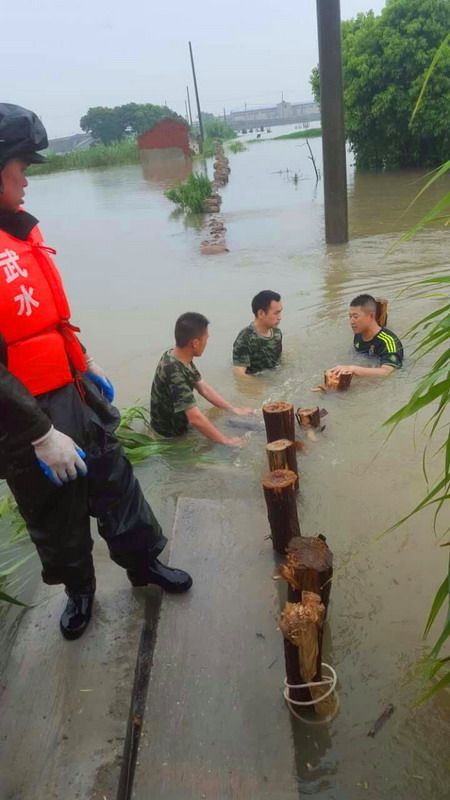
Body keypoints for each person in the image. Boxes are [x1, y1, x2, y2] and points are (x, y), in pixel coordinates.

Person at [0, 103, 192, 641]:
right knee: (54, 514)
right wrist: (39, 433)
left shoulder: (17, 234)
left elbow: (42, 319)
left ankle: (144, 565)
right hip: (26, 415)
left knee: (115, 481)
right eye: (20, 166)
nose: (27, 179)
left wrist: (82, 361)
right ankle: (79, 592)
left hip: (74, 392)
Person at [151, 312, 254, 445]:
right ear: (195, 343)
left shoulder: (176, 355)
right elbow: (194, 418)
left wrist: (233, 409)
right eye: (206, 338)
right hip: (170, 437)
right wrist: (226, 441)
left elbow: (202, 387)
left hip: (181, 426)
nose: (206, 342)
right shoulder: (173, 370)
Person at [330, 293, 404, 378]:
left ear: (371, 316)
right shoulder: (358, 335)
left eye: (355, 317)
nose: (351, 321)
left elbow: (386, 372)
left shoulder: (389, 341)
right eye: (350, 317)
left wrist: (352, 369)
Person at [233, 290, 282, 375]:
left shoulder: (277, 333)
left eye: (280, 312)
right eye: (276, 313)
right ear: (261, 313)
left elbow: (279, 360)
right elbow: (239, 374)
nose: (280, 317)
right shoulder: (245, 338)